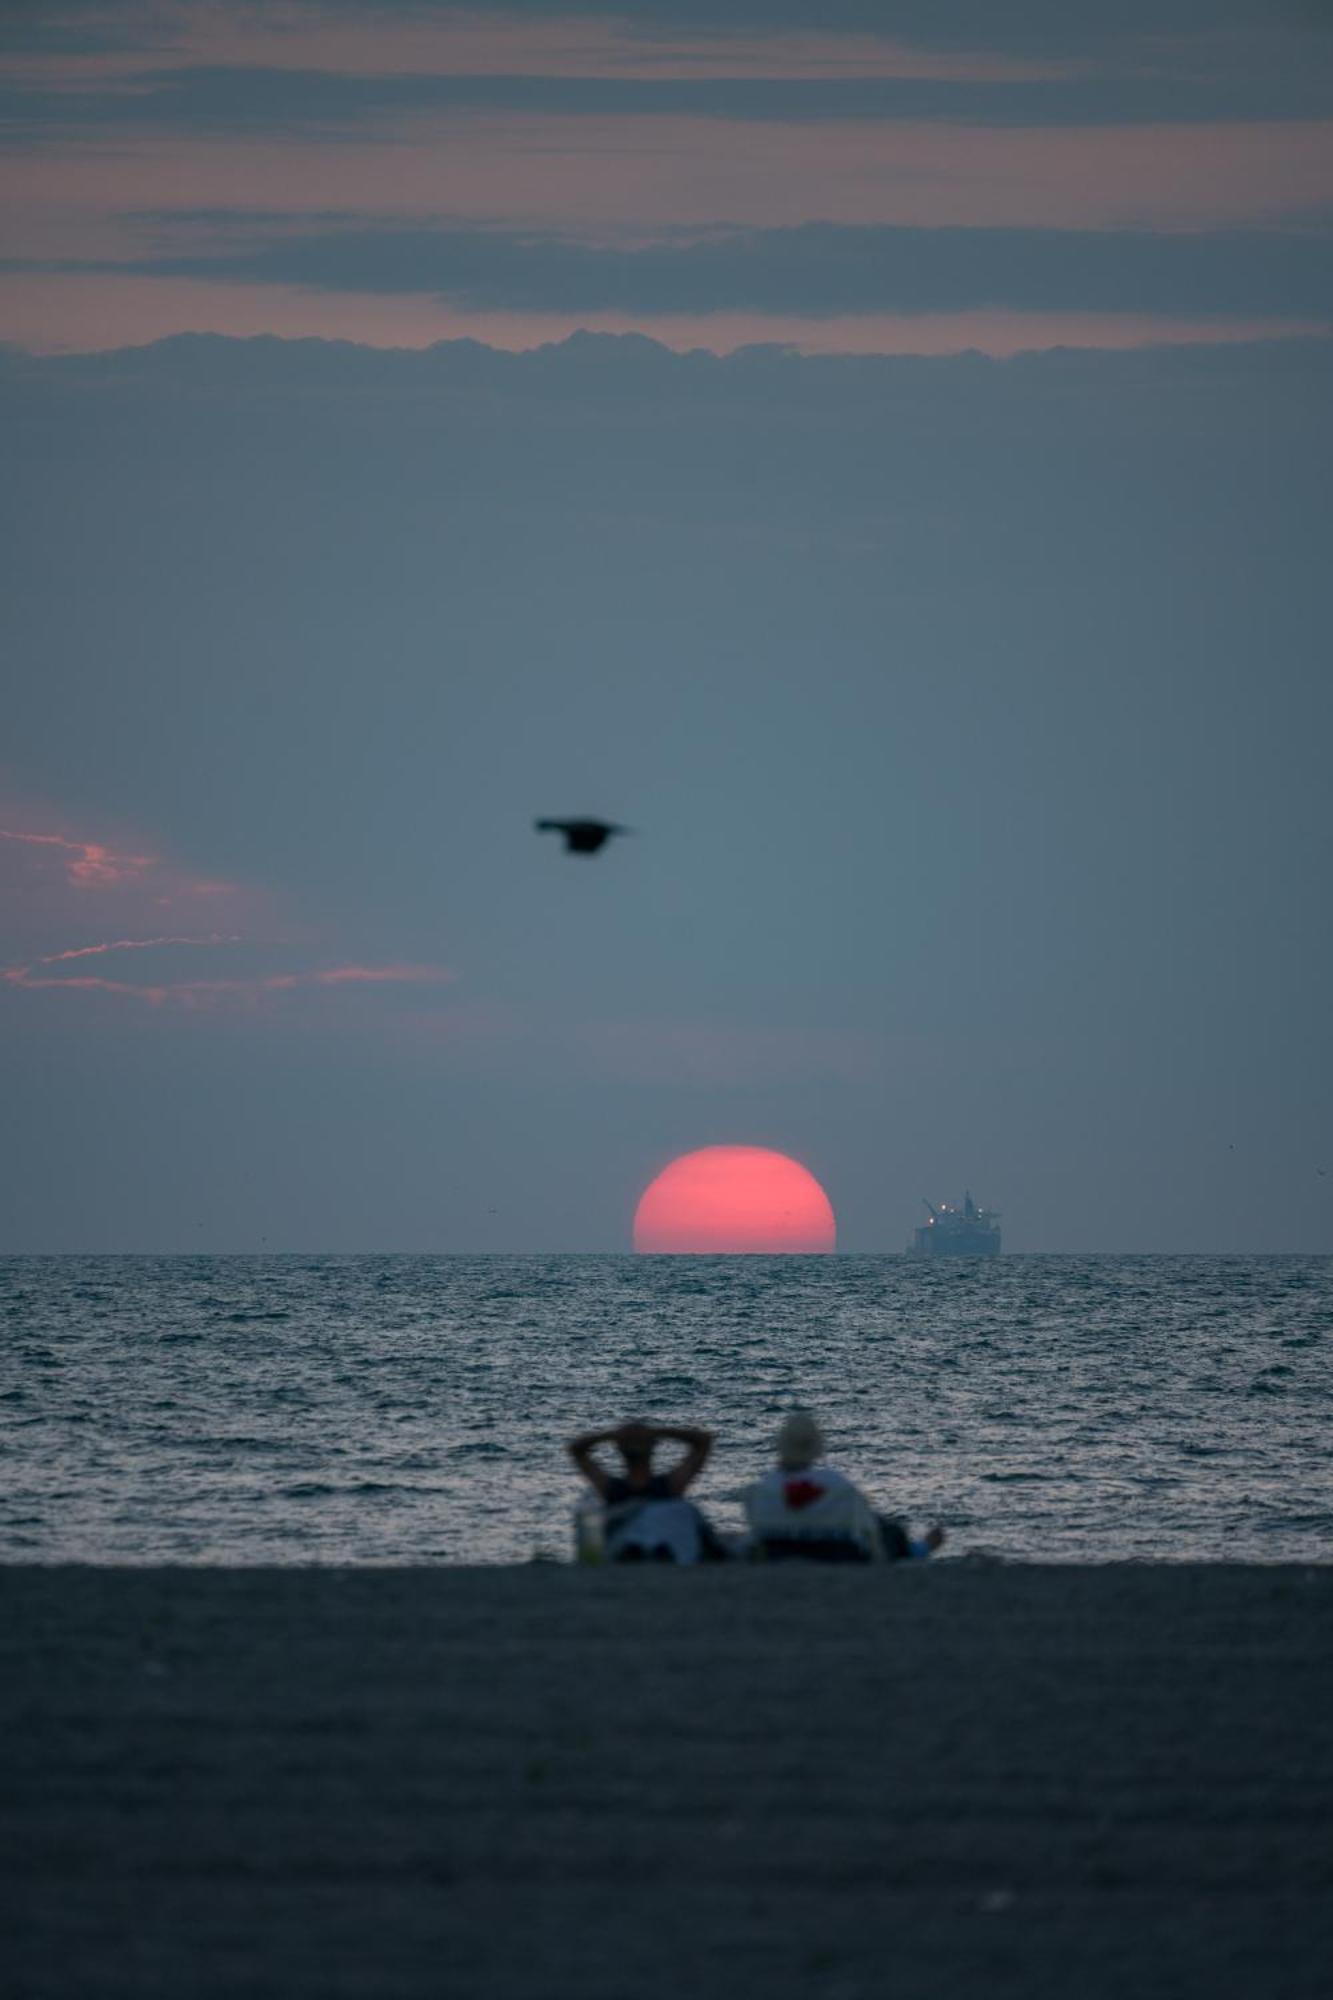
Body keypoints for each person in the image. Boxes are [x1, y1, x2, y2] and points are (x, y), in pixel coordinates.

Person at [743, 1409, 945, 1564]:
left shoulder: (759, 1491)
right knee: (886, 1528)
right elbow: (868, 1532)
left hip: (777, 1554)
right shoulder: (839, 1486)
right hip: (839, 1556)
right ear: (818, 1446)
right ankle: (920, 1549)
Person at [567, 1418, 721, 1562]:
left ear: (619, 1449)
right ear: (653, 1447)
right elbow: (703, 1441)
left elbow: (577, 1449)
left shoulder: (611, 1488)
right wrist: (655, 1432)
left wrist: (616, 1435)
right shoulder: (669, 1486)